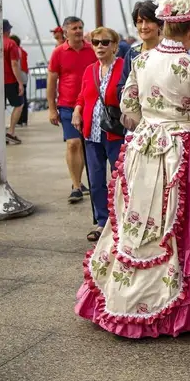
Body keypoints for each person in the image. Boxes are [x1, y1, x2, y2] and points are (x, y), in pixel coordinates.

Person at [75, 0, 190, 338]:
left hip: (143, 148)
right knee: (182, 223)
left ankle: (124, 292)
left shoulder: (141, 59)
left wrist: (153, 119)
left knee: (140, 221)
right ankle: (185, 303)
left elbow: (128, 108)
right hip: (182, 151)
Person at [71, 26, 125, 242]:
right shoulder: (90, 70)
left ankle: (121, 221)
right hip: (91, 134)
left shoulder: (124, 68)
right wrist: (77, 110)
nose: (100, 46)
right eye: (96, 42)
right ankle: (102, 222)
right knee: (95, 180)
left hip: (116, 132)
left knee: (120, 179)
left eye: (105, 42)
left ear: (114, 46)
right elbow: (83, 96)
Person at [47, 16, 97, 203]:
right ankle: (76, 186)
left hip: (89, 105)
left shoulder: (92, 50)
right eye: (74, 28)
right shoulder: (58, 52)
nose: (78, 31)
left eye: (80, 27)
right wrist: (52, 108)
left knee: (86, 145)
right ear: (66, 31)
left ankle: (83, 181)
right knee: (73, 143)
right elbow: (52, 82)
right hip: (67, 105)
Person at [119, 0, 162, 98]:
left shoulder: (169, 52)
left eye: (149, 21)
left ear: (159, 23)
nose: (144, 27)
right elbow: (121, 85)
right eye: (139, 21)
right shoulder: (131, 54)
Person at [2, 20, 27, 144]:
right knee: (19, 104)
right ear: (7, 30)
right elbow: (14, 64)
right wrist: (20, 82)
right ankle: (11, 131)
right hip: (10, 80)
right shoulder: (11, 44)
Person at [10, 35, 30, 126]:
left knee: (20, 100)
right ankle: (24, 120)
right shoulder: (22, 51)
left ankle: (20, 119)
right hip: (24, 75)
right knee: (23, 98)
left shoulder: (15, 50)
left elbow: (15, 64)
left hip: (19, 76)